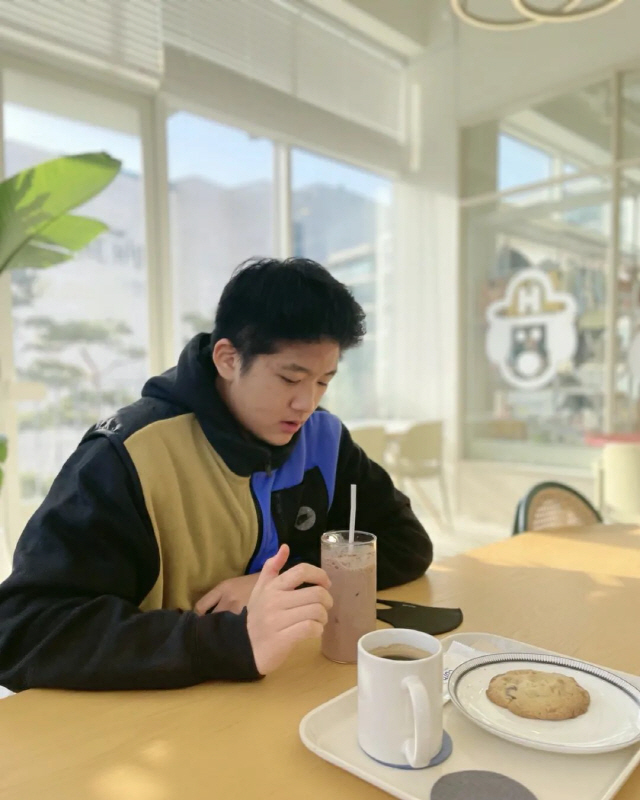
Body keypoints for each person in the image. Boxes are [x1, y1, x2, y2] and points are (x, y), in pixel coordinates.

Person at [0, 257, 433, 691]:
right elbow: (20, 629)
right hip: (154, 713)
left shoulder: (323, 438)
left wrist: (284, 585)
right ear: (227, 359)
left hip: (281, 692)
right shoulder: (127, 456)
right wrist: (230, 639)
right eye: (290, 379)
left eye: (323, 381)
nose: (306, 403)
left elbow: (407, 543)